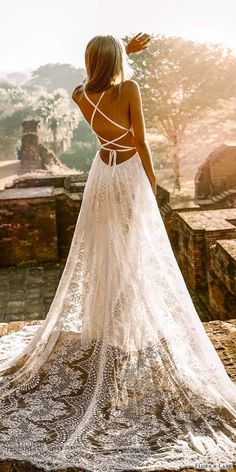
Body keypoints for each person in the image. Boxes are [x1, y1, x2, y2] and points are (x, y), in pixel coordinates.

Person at [0, 33, 235, 472]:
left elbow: (101, 83)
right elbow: (141, 141)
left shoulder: (78, 94)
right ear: (116, 59)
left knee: (103, 253)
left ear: (89, 60)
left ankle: (104, 325)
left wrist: (124, 53)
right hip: (126, 175)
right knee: (133, 255)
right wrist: (151, 186)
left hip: (100, 177)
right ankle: (124, 329)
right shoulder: (130, 89)